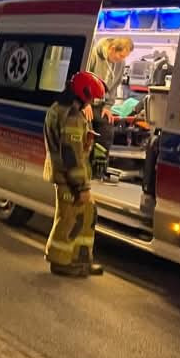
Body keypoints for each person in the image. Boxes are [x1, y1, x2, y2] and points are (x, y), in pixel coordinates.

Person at [43, 71, 106, 277]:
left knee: (86, 214)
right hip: (69, 179)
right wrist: (82, 187)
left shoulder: (58, 108)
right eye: (91, 98)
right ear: (83, 93)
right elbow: (72, 155)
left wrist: (84, 137)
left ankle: (80, 260)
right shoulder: (72, 116)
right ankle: (60, 261)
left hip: (63, 175)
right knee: (68, 219)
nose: (92, 102)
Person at [85, 37, 134, 179]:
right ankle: (81, 168)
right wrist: (85, 103)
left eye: (125, 57)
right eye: (121, 55)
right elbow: (83, 79)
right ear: (112, 49)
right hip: (85, 102)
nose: (122, 59)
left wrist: (108, 106)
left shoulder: (120, 64)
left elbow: (113, 88)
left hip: (100, 104)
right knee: (85, 131)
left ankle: (97, 170)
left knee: (107, 130)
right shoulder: (93, 55)